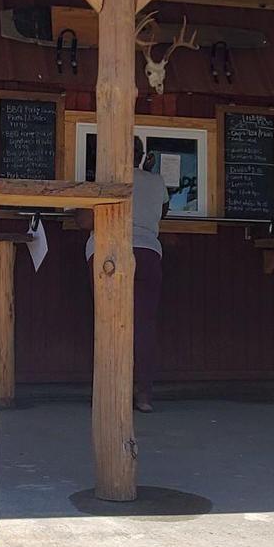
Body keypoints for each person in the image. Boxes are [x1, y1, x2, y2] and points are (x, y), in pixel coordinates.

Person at [86, 137, 168, 412]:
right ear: (141, 156)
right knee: (143, 325)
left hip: (107, 254)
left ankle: (109, 396)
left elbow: (83, 220)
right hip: (147, 253)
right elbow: (163, 212)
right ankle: (143, 395)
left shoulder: (102, 181)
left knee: (107, 324)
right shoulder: (156, 182)